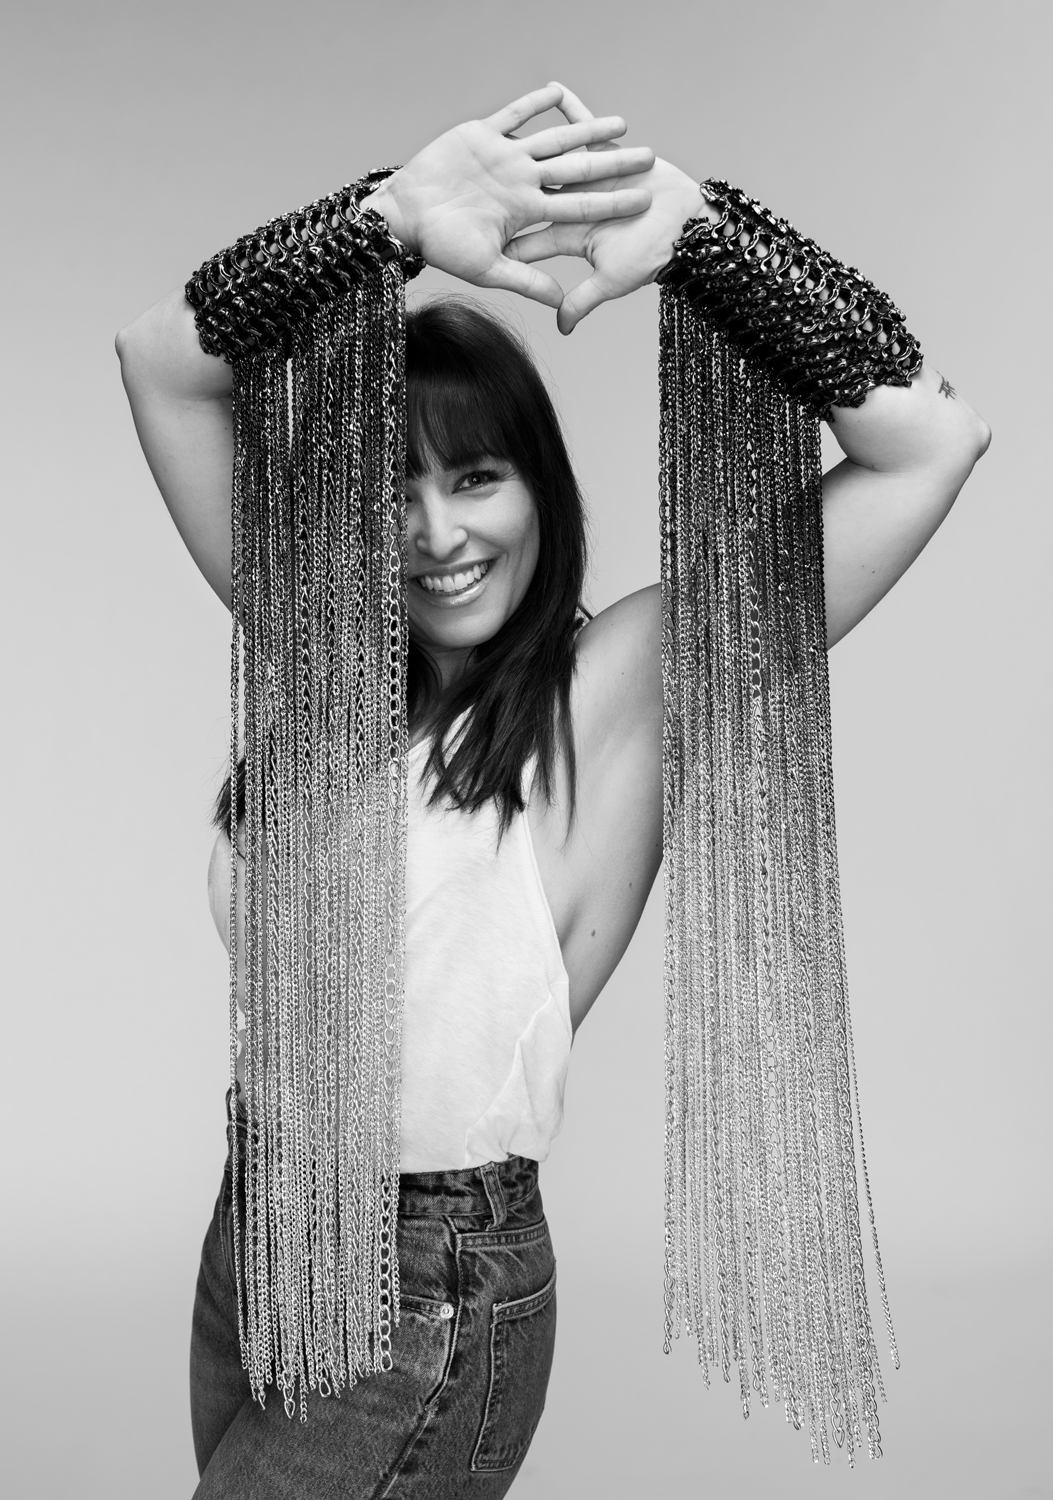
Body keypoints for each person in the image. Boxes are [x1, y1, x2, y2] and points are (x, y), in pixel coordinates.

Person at [116, 82, 989, 1498]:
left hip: (426, 1286)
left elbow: (930, 440)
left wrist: (710, 240)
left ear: (541, 491)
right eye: (393, 490)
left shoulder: (616, 688)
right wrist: (387, 219)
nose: (436, 534)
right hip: (265, 1230)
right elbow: (158, 360)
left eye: (476, 479)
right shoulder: (325, 657)